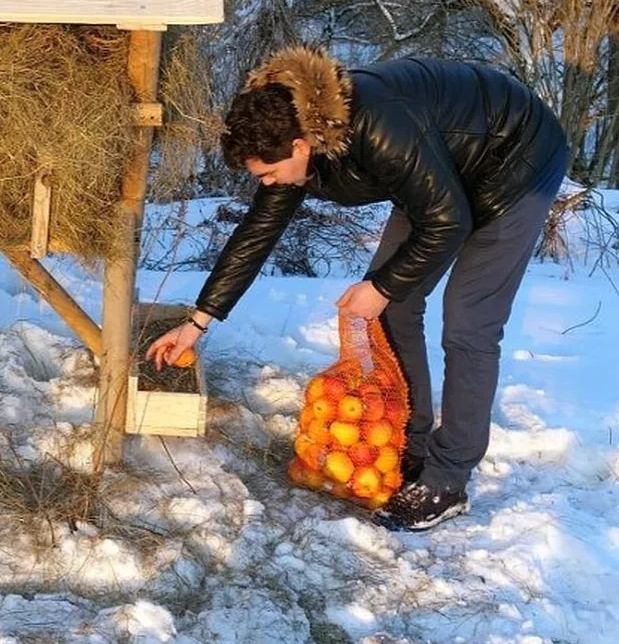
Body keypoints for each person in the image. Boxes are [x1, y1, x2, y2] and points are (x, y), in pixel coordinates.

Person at [145, 46, 568, 531]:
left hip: (515, 157)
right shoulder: (301, 138)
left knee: (470, 322)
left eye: (266, 173)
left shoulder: (379, 127)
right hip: (439, 172)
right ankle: (407, 441)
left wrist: (382, 284)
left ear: (300, 146)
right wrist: (200, 321)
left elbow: (448, 222)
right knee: (391, 309)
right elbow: (256, 233)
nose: (266, 183)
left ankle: (447, 479)